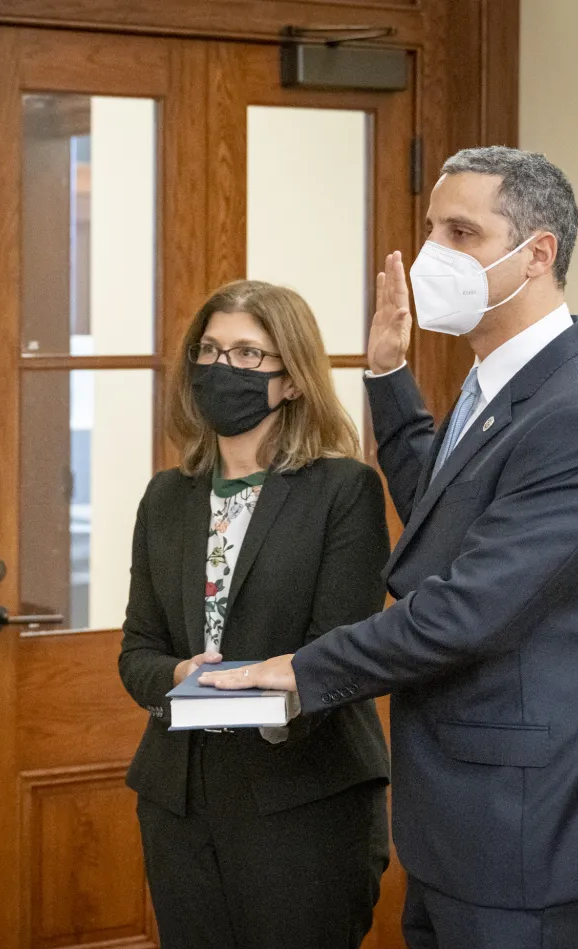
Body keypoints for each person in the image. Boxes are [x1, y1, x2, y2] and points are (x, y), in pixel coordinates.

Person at [203, 148, 578, 949]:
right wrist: (388, 374)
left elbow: (464, 608)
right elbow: (437, 523)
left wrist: (301, 669)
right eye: (431, 231)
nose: (432, 256)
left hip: (535, 845)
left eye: (461, 231)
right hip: (461, 832)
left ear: (538, 253)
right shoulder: (495, 386)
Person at [119, 281, 392, 949]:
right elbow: (138, 649)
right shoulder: (167, 496)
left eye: (247, 354)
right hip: (179, 801)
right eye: (210, 350)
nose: (222, 368)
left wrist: (269, 694)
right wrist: (178, 673)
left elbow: (341, 656)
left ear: (292, 379)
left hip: (305, 801)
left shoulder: (344, 491)